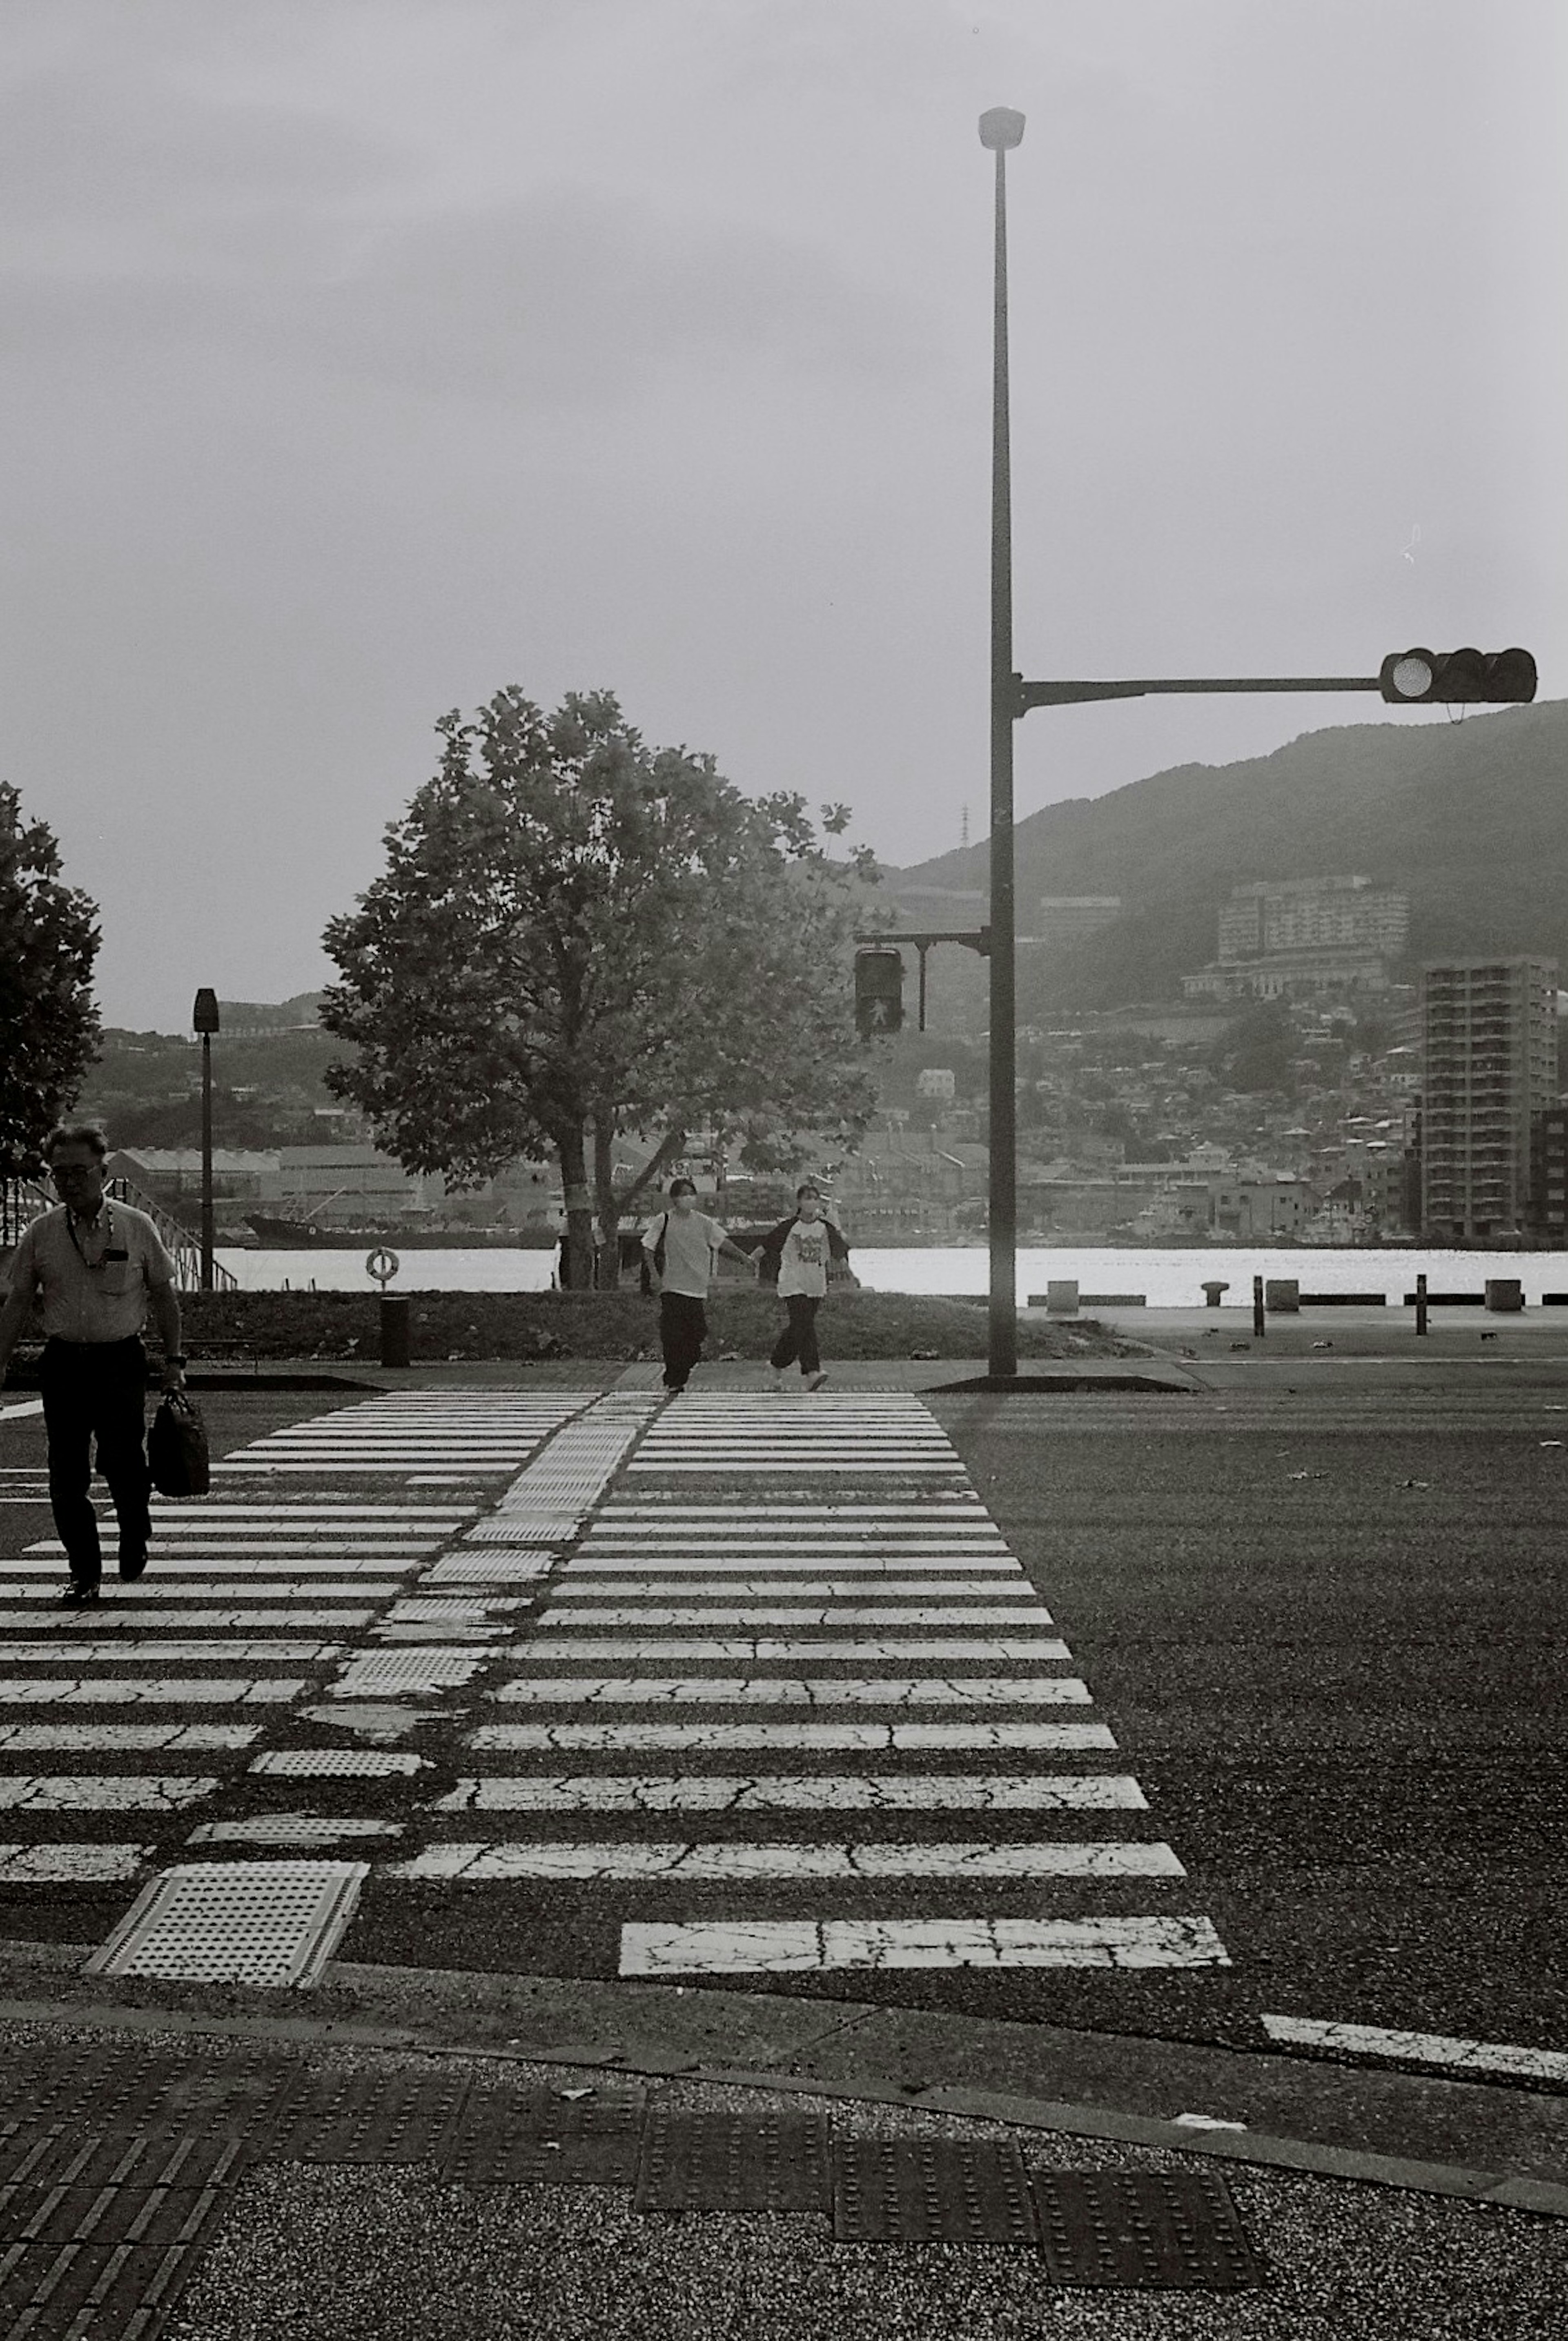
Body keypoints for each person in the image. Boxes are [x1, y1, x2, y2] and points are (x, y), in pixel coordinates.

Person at [0, 1123, 187, 1606]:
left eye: (79, 1171)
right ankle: (84, 1571)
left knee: (124, 1461)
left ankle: (134, 1529)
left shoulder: (135, 1226)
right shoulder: (41, 1233)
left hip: (120, 1358)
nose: (69, 1182)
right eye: (59, 1173)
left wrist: (174, 1361)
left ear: (103, 1171)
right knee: (66, 1475)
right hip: (64, 1362)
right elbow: (18, 1301)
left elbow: (165, 1297)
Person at [641, 1176, 756, 1392]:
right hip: (671, 1287)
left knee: (697, 1333)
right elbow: (648, 1248)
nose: (688, 1198)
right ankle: (675, 1380)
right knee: (673, 1336)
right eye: (683, 1194)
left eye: (691, 1193)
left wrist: (744, 1259)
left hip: (696, 1288)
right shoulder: (664, 1220)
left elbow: (723, 1243)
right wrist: (655, 1276)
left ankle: (682, 1369)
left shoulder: (703, 1222)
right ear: (674, 1198)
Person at [763, 1183, 852, 1392]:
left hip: (815, 1283)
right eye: (807, 1198)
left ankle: (775, 1365)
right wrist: (749, 1261)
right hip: (792, 1283)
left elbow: (841, 1250)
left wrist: (836, 1227)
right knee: (804, 1323)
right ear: (799, 1202)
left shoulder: (825, 1228)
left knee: (800, 1327)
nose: (811, 1202)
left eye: (815, 1198)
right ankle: (812, 1371)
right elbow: (768, 1245)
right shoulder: (789, 1227)